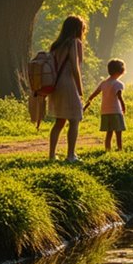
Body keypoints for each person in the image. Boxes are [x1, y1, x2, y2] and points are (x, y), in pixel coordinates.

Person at [48, 15, 86, 162]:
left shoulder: (56, 45)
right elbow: (75, 68)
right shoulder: (75, 43)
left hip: (56, 84)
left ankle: (52, 155)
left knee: (59, 121)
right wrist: (80, 90)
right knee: (75, 119)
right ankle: (71, 155)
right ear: (77, 29)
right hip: (68, 83)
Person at [84, 59, 127, 151]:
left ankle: (108, 148)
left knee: (109, 132)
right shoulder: (118, 84)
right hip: (116, 111)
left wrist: (89, 101)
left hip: (105, 112)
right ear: (121, 71)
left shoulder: (104, 83)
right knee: (118, 132)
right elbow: (119, 97)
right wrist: (123, 107)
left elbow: (94, 94)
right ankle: (120, 148)